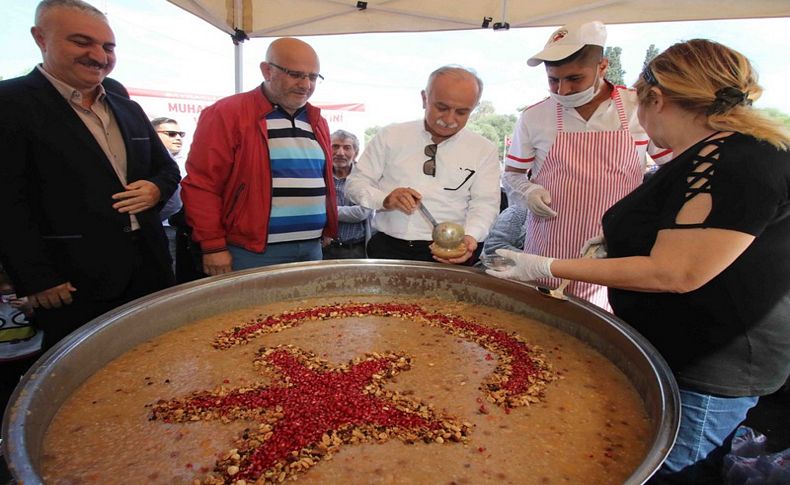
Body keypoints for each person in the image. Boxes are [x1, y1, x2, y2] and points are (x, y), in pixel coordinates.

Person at [488, 39, 790, 484]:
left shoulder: (732, 158)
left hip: (710, 363)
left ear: (656, 99)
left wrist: (546, 267)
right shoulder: (717, 152)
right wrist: (619, 238)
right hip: (677, 348)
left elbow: (676, 271)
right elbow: (688, 232)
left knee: (667, 473)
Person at [0, 0, 180, 350]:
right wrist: (37, 277)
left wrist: (156, 189)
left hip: (149, 269)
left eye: (108, 46)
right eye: (82, 42)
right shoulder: (9, 104)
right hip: (71, 281)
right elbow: (7, 201)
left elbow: (167, 168)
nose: (99, 55)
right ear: (41, 38)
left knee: (158, 358)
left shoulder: (127, 108)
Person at [502, 20, 673, 309]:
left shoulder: (637, 108)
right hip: (548, 244)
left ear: (602, 67)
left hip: (613, 249)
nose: (563, 90)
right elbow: (513, 175)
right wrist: (528, 192)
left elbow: (671, 172)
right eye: (553, 80)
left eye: (574, 79)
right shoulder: (535, 117)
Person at [181, 37, 337, 275]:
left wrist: (327, 229)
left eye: (313, 77)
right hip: (251, 254)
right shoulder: (227, 113)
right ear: (267, 70)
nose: (305, 84)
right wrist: (212, 246)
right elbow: (202, 184)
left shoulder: (318, 121)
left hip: (311, 249)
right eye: (295, 74)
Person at [345, 66, 501, 264]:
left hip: (451, 253)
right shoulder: (390, 136)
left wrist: (471, 237)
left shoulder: (483, 149)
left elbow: (485, 204)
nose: (449, 120)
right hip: (388, 248)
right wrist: (385, 199)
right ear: (424, 98)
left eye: (462, 112)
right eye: (441, 108)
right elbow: (355, 184)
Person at [322, 130, 374, 259]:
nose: (340, 153)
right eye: (335, 146)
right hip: (324, 248)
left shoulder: (365, 177)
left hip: (355, 249)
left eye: (347, 148)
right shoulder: (320, 175)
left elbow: (361, 212)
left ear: (355, 153)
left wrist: (327, 211)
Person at [152, 117, 186, 268]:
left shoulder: (187, 161)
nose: (178, 138)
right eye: (171, 134)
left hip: (183, 229)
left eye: (180, 134)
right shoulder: (149, 162)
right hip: (162, 228)